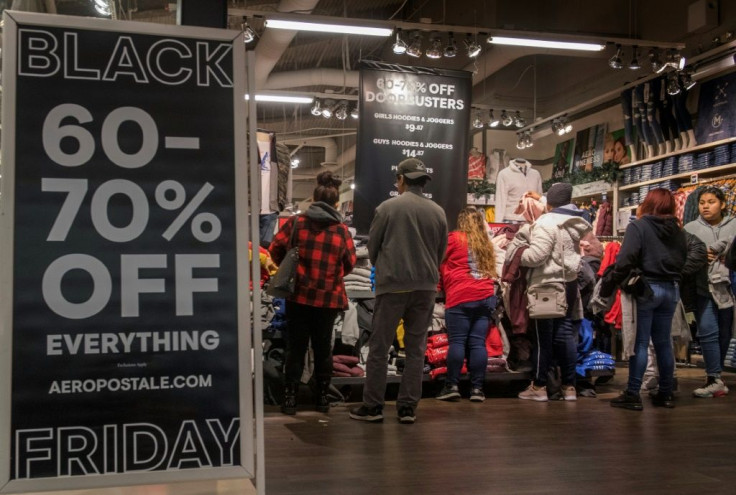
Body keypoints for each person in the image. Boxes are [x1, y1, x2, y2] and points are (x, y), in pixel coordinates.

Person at [349, 158, 448, 424]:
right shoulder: (438, 211)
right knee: (416, 349)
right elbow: (441, 252)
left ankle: (373, 406)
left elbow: (372, 248)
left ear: (401, 179)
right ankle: (407, 408)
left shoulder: (387, 208)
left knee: (380, 348)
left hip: (393, 285)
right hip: (425, 287)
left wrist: (388, 267)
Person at [269, 171, 357, 415]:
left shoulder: (297, 223)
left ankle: (290, 399)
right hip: (328, 299)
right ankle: (322, 399)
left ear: (313, 198)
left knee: (295, 348)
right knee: (323, 349)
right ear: (335, 203)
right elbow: (349, 264)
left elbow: (276, 250)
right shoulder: (340, 231)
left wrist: (294, 270)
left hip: (299, 296)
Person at [607, 188, 687, 410]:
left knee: (640, 343)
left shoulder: (639, 226)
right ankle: (666, 392)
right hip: (671, 289)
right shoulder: (678, 231)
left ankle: (633, 393)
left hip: (646, 288)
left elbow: (625, 258)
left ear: (648, 204)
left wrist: (614, 279)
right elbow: (683, 259)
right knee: (663, 343)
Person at [512, 182, 592, 402]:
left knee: (542, 337)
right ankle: (569, 387)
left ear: (550, 202)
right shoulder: (575, 221)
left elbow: (536, 256)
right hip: (569, 283)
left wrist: (519, 253)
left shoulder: (546, 222)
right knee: (565, 334)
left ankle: (539, 387)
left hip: (546, 283)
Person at [436, 207, 498, 403]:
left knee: (457, 341)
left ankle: (452, 386)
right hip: (485, 295)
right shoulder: (485, 242)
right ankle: (477, 389)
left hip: (460, 295)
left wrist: (438, 287)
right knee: (478, 343)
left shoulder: (454, 238)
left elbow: (438, 261)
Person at [684, 187, 736, 398]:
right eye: (702, 202)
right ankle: (713, 376)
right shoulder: (690, 228)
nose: (705, 206)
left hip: (729, 289)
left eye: (711, 201)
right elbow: (683, 257)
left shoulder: (734, 225)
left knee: (725, 334)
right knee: (707, 332)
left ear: (723, 204)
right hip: (702, 288)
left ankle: (716, 377)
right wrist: (697, 259)